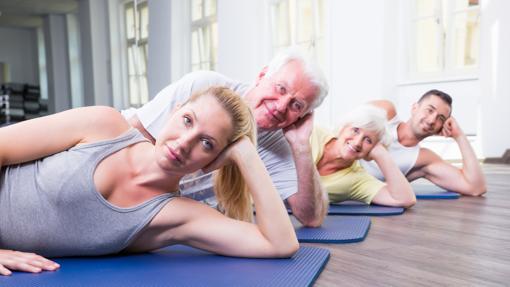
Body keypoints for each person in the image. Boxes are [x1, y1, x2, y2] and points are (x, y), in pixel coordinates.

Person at [0, 87, 298, 276]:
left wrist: (247, 155)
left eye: (206, 143)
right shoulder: (104, 126)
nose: (184, 143)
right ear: (174, 110)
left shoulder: (175, 215)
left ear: (215, 160)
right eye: (187, 120)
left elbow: (280, 244)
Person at [123, 47, 329, 227]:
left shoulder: (279, 147)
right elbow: (129, 137)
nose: (280, 106)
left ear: (303, 117)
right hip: (123, 176)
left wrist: (302, 146)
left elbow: (310, 217)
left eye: (296, 105)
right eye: (281, 88)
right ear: (262, 75)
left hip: (167, 210)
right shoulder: (204, 85)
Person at [360, 89, 486, 196]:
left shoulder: (423, 159)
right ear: (415, 108)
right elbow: (345, 129)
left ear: (441, 127)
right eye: (429, 110)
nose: (432, 120)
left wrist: (459, 136)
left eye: (440, 118)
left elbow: (475, 187)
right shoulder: (386, 112)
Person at [311, 105, 416, 207]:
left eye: (368, 140)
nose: (357, 142)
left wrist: (382, 155)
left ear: (371, 151)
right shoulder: (312, 133)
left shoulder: (357, 180)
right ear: (343, 128)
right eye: (355, 130)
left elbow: (405, 199)